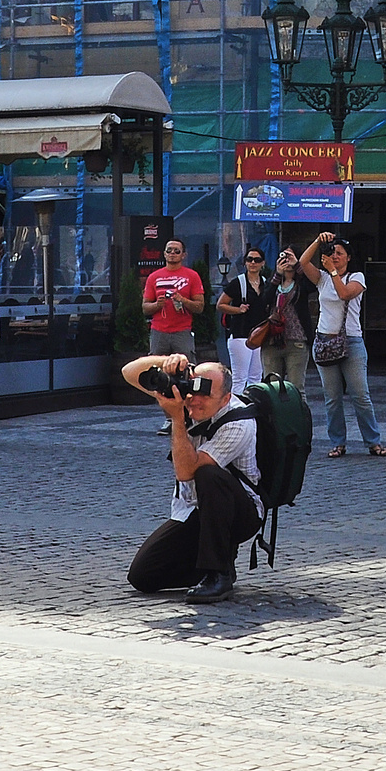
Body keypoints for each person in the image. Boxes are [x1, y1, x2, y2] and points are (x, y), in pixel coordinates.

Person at [123, 353, 262, 604]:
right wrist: (170, 362)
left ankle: (218, 575)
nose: (194, 401)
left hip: (239, 513)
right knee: (142, 577)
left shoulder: (239, 423)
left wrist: (177, 418)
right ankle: (220, 560)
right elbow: (129, 372)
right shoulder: (186, 399)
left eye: (205, 395)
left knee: (208, 473)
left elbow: (188, 472)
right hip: (194, 510)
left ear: (226, 399)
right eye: (192, 389)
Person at [301, 232, 383, 457]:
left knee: (360, 396)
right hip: (326, 341)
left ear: (348, 258)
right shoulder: (322, 278)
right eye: (332, 253)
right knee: (332, 398)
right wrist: (318, 242)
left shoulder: (357, 277)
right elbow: (302, 262)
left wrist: (334, 272)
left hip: (351, 341)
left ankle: (373, 441)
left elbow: (345, 294)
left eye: (339, 253)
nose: (334, 257)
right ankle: (338, 442)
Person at [215, 249, 275, 400]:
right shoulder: (238, 283)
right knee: (240, 377)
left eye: (256, 259)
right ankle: (235, 408)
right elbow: (220, 305)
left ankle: (251, 406)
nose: (253, 263)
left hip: (261, 335)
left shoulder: (266, 283)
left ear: (263, 263)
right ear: (245, 262)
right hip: (240, 334)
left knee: (256, 377)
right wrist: (238, 309)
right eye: (249, 259)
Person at [259, 252, 312, 392]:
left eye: (291, 257)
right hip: (272, 341)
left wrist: (298, 265)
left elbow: (311, 286)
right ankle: (275, 414)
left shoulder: (302, 283)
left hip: (296, 340)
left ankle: (299, 414)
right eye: (284, 258)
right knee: (272, 388)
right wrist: (277, 274)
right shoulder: (272, 282)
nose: (287, 261)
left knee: (296, 388)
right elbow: (263, 301)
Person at [145, 240, 204, 360]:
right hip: (159, 331)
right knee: (156, 370)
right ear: (164, 254)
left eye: (177, 251)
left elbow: (200, 307)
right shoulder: (153, 277)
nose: (172, 253)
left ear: (183, 255)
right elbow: (145, 308)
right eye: (169, 250)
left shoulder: (192, 276)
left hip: (182, 331)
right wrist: (157, 305)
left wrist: (183, 300)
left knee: (186, 369)